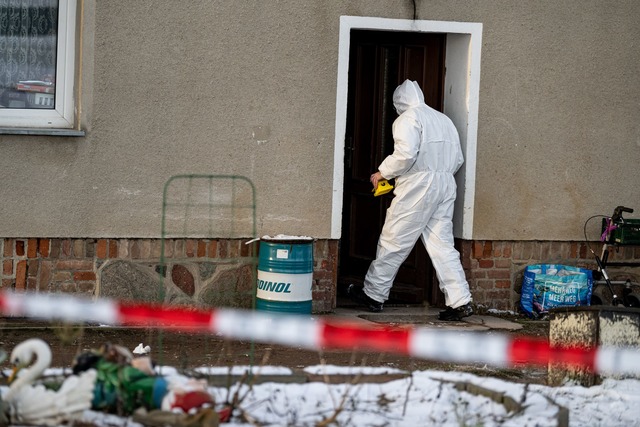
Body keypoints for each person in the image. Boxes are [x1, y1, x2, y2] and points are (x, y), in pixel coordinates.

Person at [347, 79, 473, 321]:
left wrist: (383, 172)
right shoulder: (443, 119)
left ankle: (373, 294)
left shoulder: (407, 119)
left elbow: (405, 155)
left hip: (418, 185)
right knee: (442, 245)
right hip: (446, 184)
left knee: (394, 239)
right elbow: (458, 159)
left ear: (399, 103)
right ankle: (460, 300)